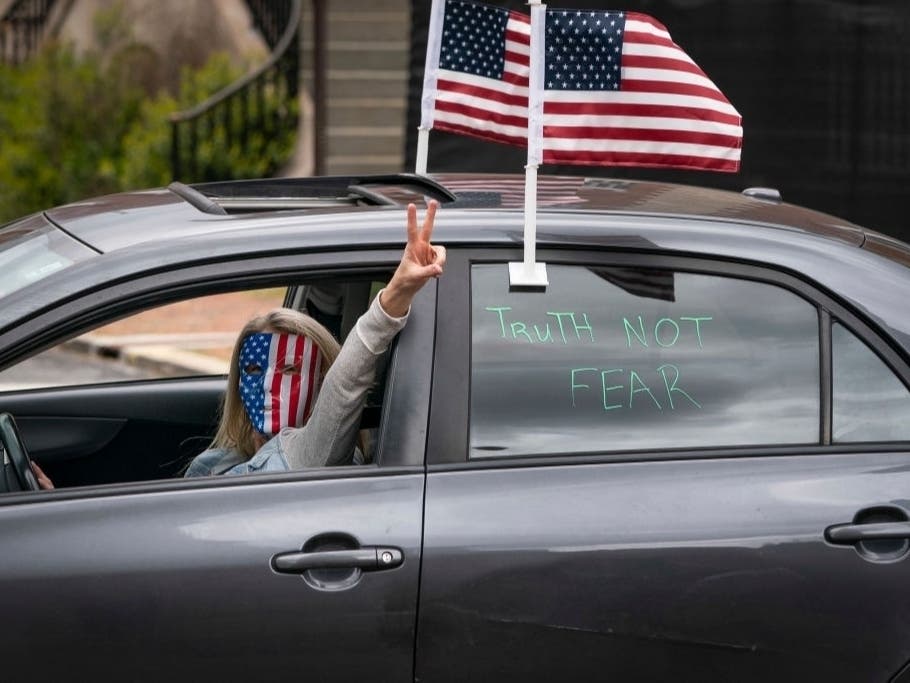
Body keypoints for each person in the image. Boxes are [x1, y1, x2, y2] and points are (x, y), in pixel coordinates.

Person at [183, 200, 444, 477]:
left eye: (290, 369)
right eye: (253, 370)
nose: (268, 385)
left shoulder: (311, 456)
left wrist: (394, 297)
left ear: (320, 381)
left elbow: (344, 386)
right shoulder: (210, 464)